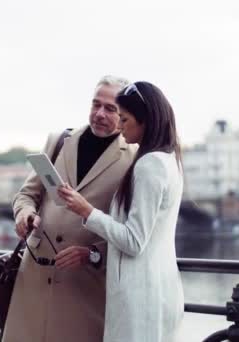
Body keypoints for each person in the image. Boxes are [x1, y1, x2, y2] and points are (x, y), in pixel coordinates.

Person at [2, 76, 138, 342]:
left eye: (109, 109)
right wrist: (24, 214)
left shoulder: (134, 158)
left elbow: (133, 231)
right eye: (95, 104)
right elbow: (26, 194)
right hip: (34, 279)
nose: (99, 114)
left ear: (124, 114)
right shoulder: (59, 141)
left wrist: (93, 254)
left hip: (85, 288)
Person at [57, 81, 185, 342]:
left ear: (145, 120)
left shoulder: (149, 166)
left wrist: (87, 210)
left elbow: (134, 241)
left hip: (140, 297)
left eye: (124, 119)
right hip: (157, 289)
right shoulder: (168, 160)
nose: (120, 125)